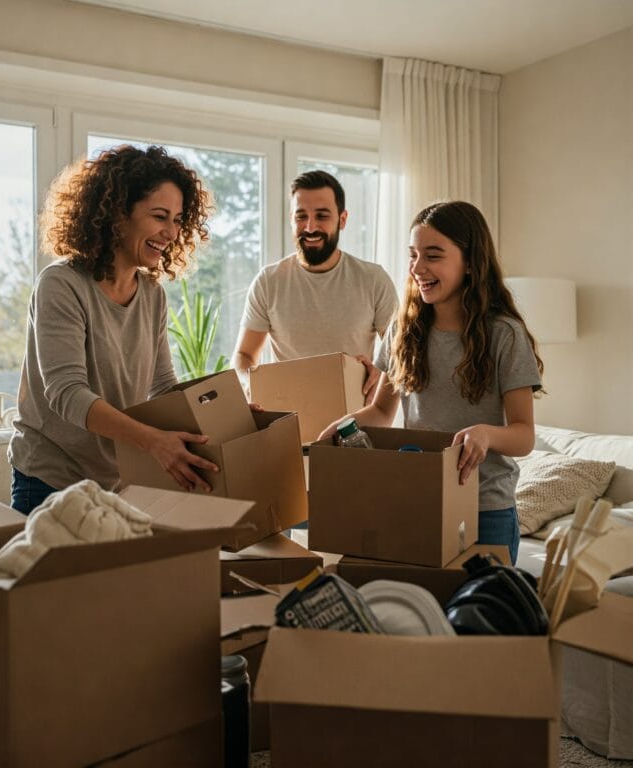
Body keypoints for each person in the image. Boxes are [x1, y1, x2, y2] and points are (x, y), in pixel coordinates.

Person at [320, 201, 543, 565]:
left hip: (485, 510)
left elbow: (524, 435)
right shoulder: (403, 329)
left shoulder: (504, 334)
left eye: (433, 256)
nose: (417, 268)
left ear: (470, 262)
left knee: (477, 620)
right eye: (413, 255)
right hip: (418, 501)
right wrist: (343, 426)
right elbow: (381, 410)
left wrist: (486, 433)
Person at [8, 145, 219, 514]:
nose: (170, 232)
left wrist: (226, 409)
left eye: (177, 219)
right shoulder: (61, 284)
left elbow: (163, 385)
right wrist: (153, 442)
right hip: (48, 481)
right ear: (117, 215)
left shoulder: (152, 293)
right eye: (159, 216)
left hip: (116, 481)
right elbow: (67, 393)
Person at [232, 170, 398, 403]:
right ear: (291, 218)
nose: (310, 227)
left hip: (355, 425)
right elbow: (244, 354)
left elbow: (401, 351)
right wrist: (251, 387)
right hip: (287, 420)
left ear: (342, 219)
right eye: (301, 216)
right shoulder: (268, 282)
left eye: (321, 216)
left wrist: (381, 374)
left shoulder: (373, 279)